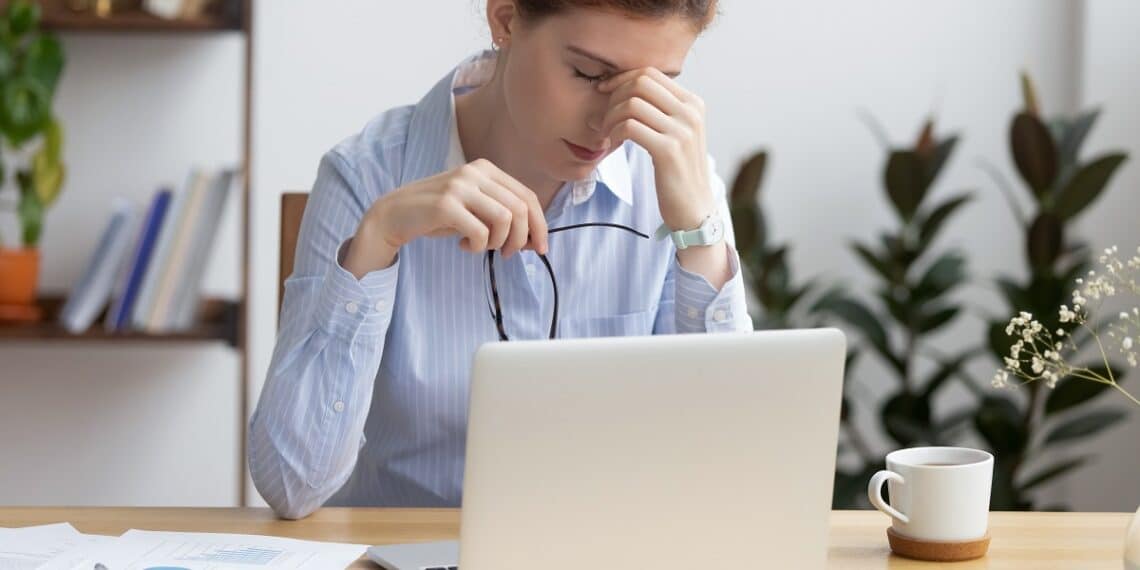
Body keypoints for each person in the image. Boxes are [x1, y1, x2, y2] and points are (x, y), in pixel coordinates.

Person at [249, 0, 751, 519]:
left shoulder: (678, 189)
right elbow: (293, 485)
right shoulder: (368, 175)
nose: (610, 123)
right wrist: (376, 243)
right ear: (506, 20)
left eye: (652, 88)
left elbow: (735, 476)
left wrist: (701, 235)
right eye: (588, 74)